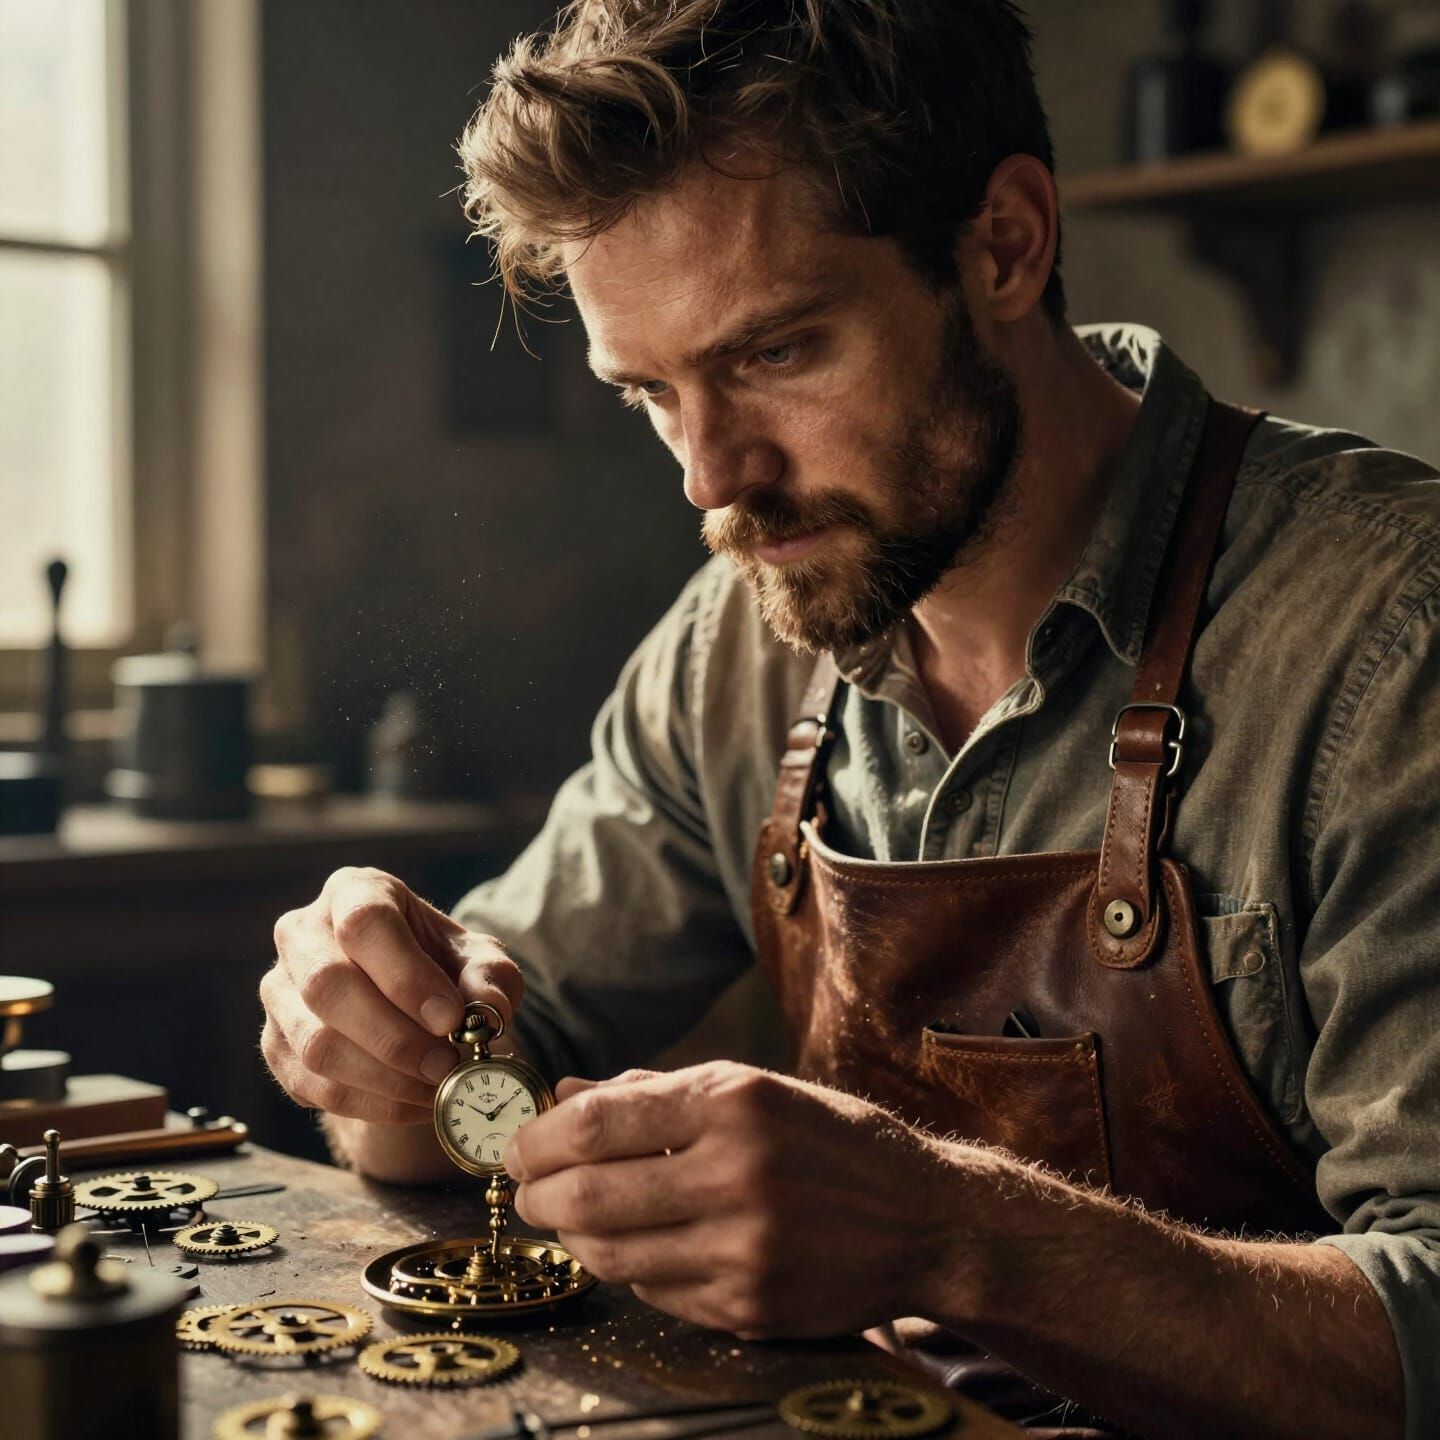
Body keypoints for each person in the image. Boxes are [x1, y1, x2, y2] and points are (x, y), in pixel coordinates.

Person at [259, 4, 1438, 1436]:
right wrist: (379, 1034)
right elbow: (484, 1068)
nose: (709, 479)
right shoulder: (741, 636)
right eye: (649, 394)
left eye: (773, 355)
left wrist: (958, 1234)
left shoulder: (1392, 640)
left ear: (1005, 244)